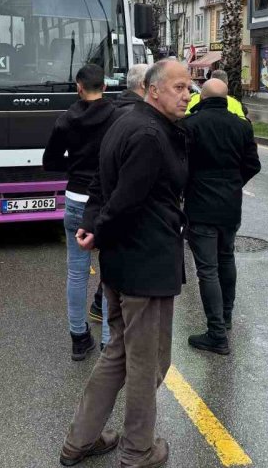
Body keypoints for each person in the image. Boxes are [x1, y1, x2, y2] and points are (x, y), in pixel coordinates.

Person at [59, 60, 191, 468]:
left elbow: (101, 184)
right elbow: (125, 200)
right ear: (153, 90)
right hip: (145, 265)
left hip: (121, 263)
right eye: (179, 87)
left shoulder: (123, 120)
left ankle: (79, 441)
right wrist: (99, 227)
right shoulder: (149, 133)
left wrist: (92, 226)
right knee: (148, 361)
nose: (188, 94)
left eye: (191, 87)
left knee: (118, 352)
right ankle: (138, 450)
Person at [43, 63, 119, 361]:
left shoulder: (66, 119)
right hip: (107, 201)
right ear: (105, 85)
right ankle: (108, 342)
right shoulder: (117, 116)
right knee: (112, 272)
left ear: (78, 87)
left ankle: (78, 337)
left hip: (76, 198)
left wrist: (74, 166)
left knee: (76, 271)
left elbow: (49, 161)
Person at [181, 79, 260, 355]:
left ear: (201, 98)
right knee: (226, 258)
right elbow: (253, 164)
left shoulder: (190, 125)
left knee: (207, 269)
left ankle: (216, 333)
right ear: (227, 98)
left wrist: (187, 189)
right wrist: (234, 183)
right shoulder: (241, 126)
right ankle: (225, 317)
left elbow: (181, 167)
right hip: (230, 205)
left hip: (200, 206)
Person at [88, 63, 149, 324]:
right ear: (147, 87)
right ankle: (105, 312)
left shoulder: (113, 110)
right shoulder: (140, 119)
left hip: (101, 195)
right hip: (119, 204)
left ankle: (101, 308)